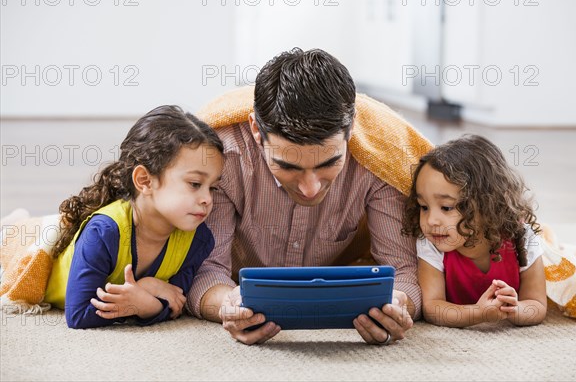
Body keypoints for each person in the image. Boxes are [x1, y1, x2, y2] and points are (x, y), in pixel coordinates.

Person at [188, 48, 428, 345]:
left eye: (329, 163)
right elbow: (206, 271)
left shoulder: (382, 159)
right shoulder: (221, 159)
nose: (310, 188)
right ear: (256, 131)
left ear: (351, 129)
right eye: (288, 166)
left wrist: (398, 305)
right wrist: (229, 306)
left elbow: (404, 271)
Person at [44, 105, 224, 329]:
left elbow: (176, 303)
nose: (207, 198)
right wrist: (145, 295)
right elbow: (79, 314)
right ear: (145, 181)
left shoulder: (200, 240)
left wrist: (149, 301)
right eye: (195, 184)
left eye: (213, 188)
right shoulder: (103, 233)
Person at [402, 134, 547, 327]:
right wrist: (477, 314)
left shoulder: (521, 237)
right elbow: (433, 307)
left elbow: (537, 304)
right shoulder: (431, 243)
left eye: (446, 207)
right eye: (424, 206)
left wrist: (513, 308)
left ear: (488, 205)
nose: (431, 220)